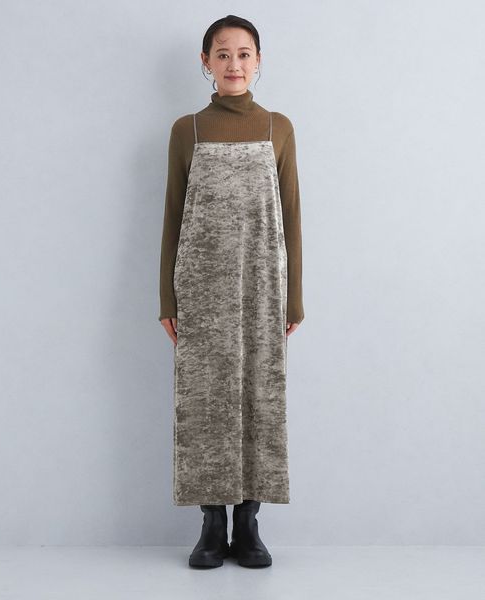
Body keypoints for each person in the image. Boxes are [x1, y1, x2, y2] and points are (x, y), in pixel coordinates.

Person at [158, 14, 304, 568]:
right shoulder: (188, 130)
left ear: (259, 61)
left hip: (263, 284)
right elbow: (172, 216)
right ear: (206, 63)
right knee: (204, 402)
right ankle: (211, 523)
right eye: (222, 54)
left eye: (244, 54)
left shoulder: (278, 127)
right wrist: (167, 298)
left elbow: (292, 217)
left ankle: (249, 522)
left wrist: (294, 296)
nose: (234, 64)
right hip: (200, 287)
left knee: (260, 396)